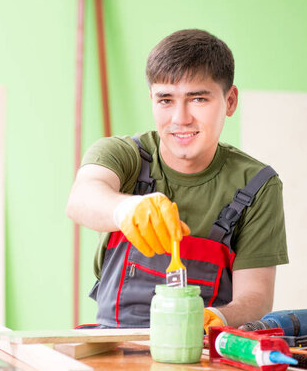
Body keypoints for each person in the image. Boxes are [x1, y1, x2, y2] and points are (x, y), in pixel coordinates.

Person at [66, 29, 288, 331]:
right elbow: (81, 199)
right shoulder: (124, 155)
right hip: (113, 350)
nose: (180, 118)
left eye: (198, 98)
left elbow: (256, 297)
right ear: (152, 100)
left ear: (230, 100)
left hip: (203, 352)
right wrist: (127, 210)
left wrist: (215, 318)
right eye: (166, 100)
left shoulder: (257, 185)